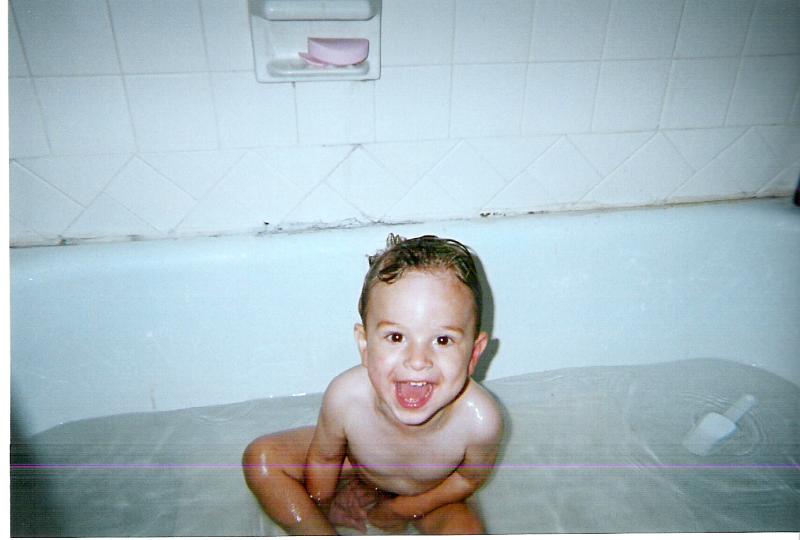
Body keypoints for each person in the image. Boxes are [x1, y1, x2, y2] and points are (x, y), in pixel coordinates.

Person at [242, 234, 503, 535]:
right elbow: (325, 458)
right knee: (261, 459)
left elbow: (468, 479)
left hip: (431, 495)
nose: (418, 360)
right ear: (365, 345)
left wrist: (401, 508)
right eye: (396, 337)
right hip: (354, 466)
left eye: (442, 340)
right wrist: (326, 505)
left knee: (467, 533)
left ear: (474, 354)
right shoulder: (346, 397)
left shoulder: (480, 420)